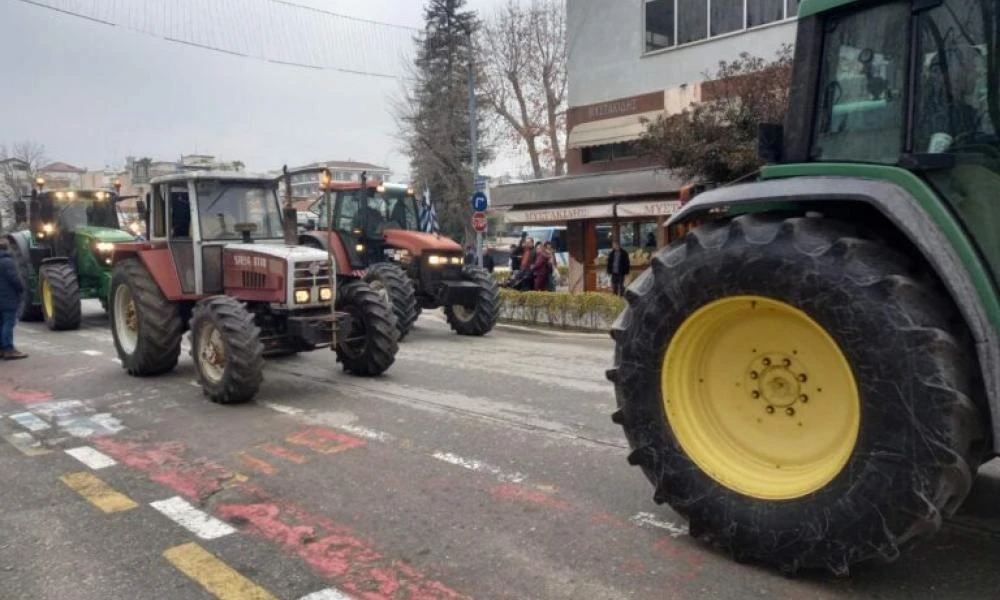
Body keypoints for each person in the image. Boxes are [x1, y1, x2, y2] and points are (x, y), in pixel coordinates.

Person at [0, 239, 28, 360]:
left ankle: (1, 349)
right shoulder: (7, 262)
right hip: (8, 298)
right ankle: (8, 349)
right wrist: (22, 288)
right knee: (8, 323)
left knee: (1, 323)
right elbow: (15, 279)